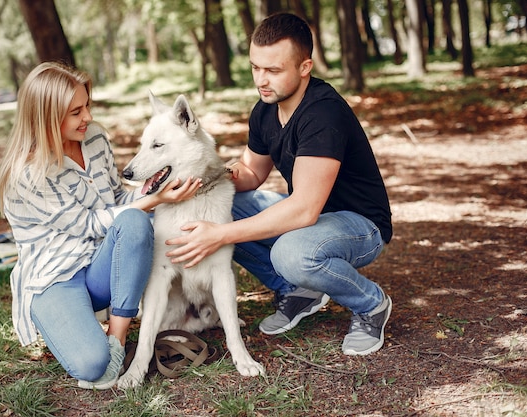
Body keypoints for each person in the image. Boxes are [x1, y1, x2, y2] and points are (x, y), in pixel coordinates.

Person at [165, 13, 393, 356]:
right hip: (313, 220)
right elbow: (250, 174)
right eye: (256, 67)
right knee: (221, 201)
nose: (261, 79)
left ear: (305, 67)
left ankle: (370, 305)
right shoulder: (265, 108)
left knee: (293, 253)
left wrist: (220, 233)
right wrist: (201, 178)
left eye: (273, 70)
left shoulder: (323, 114)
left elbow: (303, 209)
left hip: (359, 225)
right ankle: (297, 291)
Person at [0, 62, 202, 389]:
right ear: (47, 118)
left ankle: (117, 339)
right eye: (76, 112)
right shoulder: (27, 173)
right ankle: (67, 321)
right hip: (55, 276)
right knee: (92, 366)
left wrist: (154, 190)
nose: (88, 117)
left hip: (102, 263)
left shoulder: (93, 138)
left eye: (87, 105)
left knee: (134, 220)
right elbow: (88, 223)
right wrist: (154, 201)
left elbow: (117, 197)